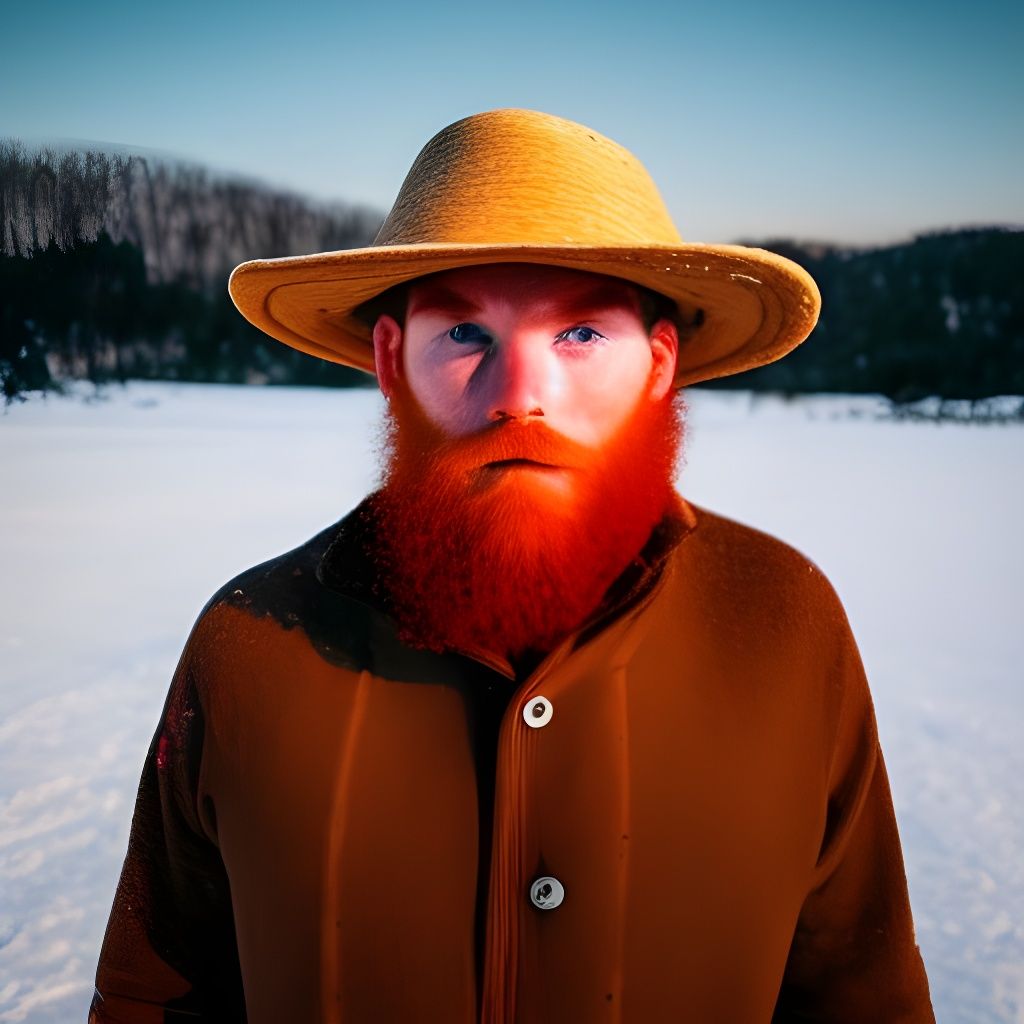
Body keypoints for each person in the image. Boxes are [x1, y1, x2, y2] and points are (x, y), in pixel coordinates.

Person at [90, 109, 934, 1022]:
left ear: (659, 365)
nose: (520, 397)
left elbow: (862, 992)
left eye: (581, 336)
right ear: (390, 359)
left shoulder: (782, 621)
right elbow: (152, 997)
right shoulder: (249, 641)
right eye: (463, 336)